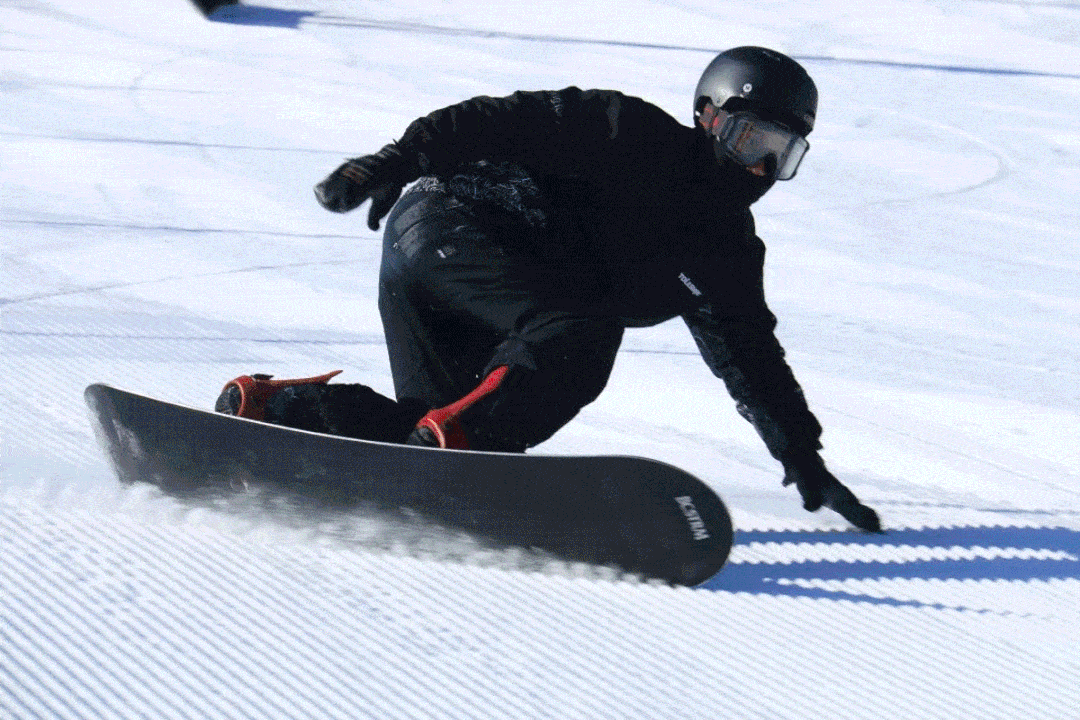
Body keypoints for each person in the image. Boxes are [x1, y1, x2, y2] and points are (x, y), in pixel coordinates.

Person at [216, 47, 881, 532]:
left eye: (780, 152)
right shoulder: (633, 135)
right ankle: (459, 440)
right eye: (748, 139)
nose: (759, 165)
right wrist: (396, 159)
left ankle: (279, 411)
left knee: (438, 441)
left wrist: (803, 457)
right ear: (708, 116)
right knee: (582, 335)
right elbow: (501, 119)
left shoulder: (726, 251)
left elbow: (750, 359)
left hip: (455, 277)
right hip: (457, 222)